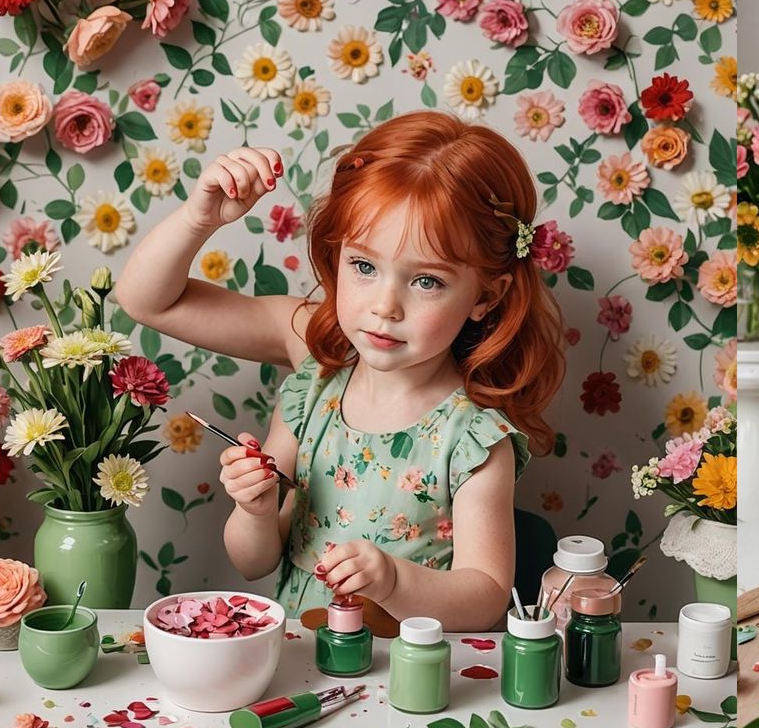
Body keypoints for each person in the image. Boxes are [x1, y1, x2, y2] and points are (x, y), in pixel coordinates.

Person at [116, 111, 564, 623]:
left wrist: (394, 582)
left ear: (486, 296)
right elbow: (146, 301)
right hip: (299, 659)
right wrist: (256, 510)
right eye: (364, 266)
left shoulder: (473, 438)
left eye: (427, 282)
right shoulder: (319, 362)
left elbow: (485, 599)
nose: (385, 307)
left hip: (407, 666)